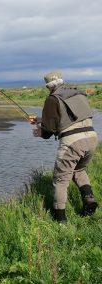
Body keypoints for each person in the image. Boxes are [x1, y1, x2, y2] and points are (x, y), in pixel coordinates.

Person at [30, 71, 99, 223]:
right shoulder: (77, 93)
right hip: (92, 138)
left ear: (48, 86)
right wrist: (41, 119)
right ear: (61, 81)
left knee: (60, 180)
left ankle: (60, 220)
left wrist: (40, 131)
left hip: (73, 143)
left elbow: (49, 131)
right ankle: (89, 200)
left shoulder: (52, 99)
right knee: (78, 170)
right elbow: (69, 118)